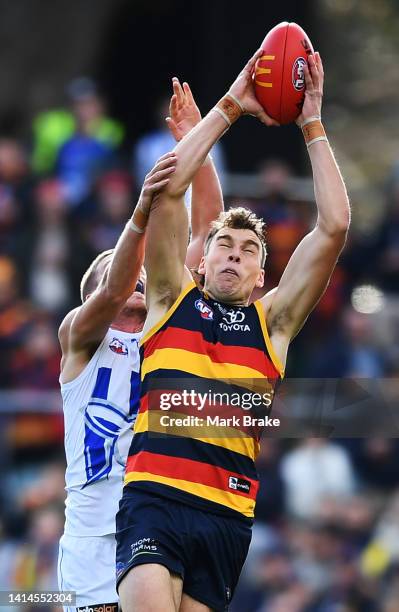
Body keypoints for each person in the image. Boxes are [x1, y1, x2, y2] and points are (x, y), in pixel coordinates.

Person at [116, 49, 351, 612]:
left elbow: (335, 224)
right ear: (202, 260)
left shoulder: (274, 324)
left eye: (248, 252)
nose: (233, 256)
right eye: (222, 244)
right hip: (155, 499)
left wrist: (312, 121)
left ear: (261, 275)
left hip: (227, 516)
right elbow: (169, 189)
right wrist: (231, 105)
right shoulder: (170, 298)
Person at [57, 79, 224, 612]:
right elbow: (110, 288)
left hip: (160, 524)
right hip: (94, 537)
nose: (138, 278)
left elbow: (208, 229)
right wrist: (142, 214)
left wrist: (196, 141)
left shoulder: (167, 328)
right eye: (122, 270)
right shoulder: (80, 338)